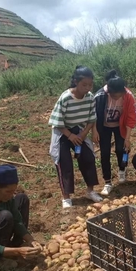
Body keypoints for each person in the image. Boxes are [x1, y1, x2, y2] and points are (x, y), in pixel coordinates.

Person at [49, 65, 103, 208]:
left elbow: (92, 118)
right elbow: (56, 121)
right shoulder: (65, 98)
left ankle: (90, 191)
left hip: (79, 130)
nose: (87, 88)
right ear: (75, 82)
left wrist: (83, 134)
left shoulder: (91, 98)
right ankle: (66, 197)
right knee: (64, 162)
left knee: (88, 158)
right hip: (63, 132)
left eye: (90, 84)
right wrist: (70, 135)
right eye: (84, 84)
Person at [93, 70, 136, 196]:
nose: (117, 98)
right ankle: (107, 182)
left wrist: (127, 138)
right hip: (104, 127)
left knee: (121, 149)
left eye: (119, 96)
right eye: (115, 96)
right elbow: (93, 116)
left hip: (120, 126)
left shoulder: (128, 96)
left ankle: (122, 170)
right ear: (109, 92)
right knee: (105, 153)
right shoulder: (100, 96)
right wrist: (95, 131)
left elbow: (131, 116)